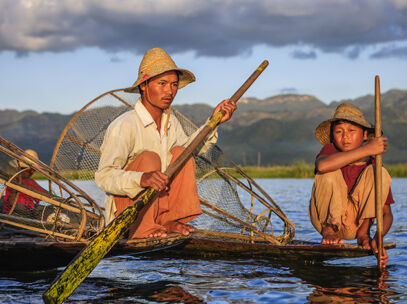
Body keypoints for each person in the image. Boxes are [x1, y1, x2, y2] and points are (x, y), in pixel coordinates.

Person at [95, 48, 237, 239]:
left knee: (182, 154)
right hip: (128, 214)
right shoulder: (124, 125)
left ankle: (170, 220)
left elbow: (190, 151)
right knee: (149, 159)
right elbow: (104, 177)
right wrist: (142, 178)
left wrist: (213, 121)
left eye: (174, 85)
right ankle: (143, 227)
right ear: (144, 85)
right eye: (162, 84)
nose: (170, 91)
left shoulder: (172, 122)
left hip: (160, 211)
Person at [309, 103, 394, 268]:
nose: (345, 136)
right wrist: (366, 150)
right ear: (333, 136)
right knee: (329, 170)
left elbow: (387, 214)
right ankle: (330, 230)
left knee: (378, 171)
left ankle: (364, 232)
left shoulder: (373, 164)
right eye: (339, 131)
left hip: (358, 224)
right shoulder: (329, 150)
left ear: (364, 135)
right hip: (327, 220)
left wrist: (378, 237)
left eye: (351, 131)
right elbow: (322, 167)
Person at [2, 149, 48, 216]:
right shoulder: (14, 179)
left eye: (33, 170)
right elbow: (12, 202)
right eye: (30, 170)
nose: (32, 172)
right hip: (13, 212)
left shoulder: (31, 181)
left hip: (26, 210)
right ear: (21, 168)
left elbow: (43, 193)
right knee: (21, 207)